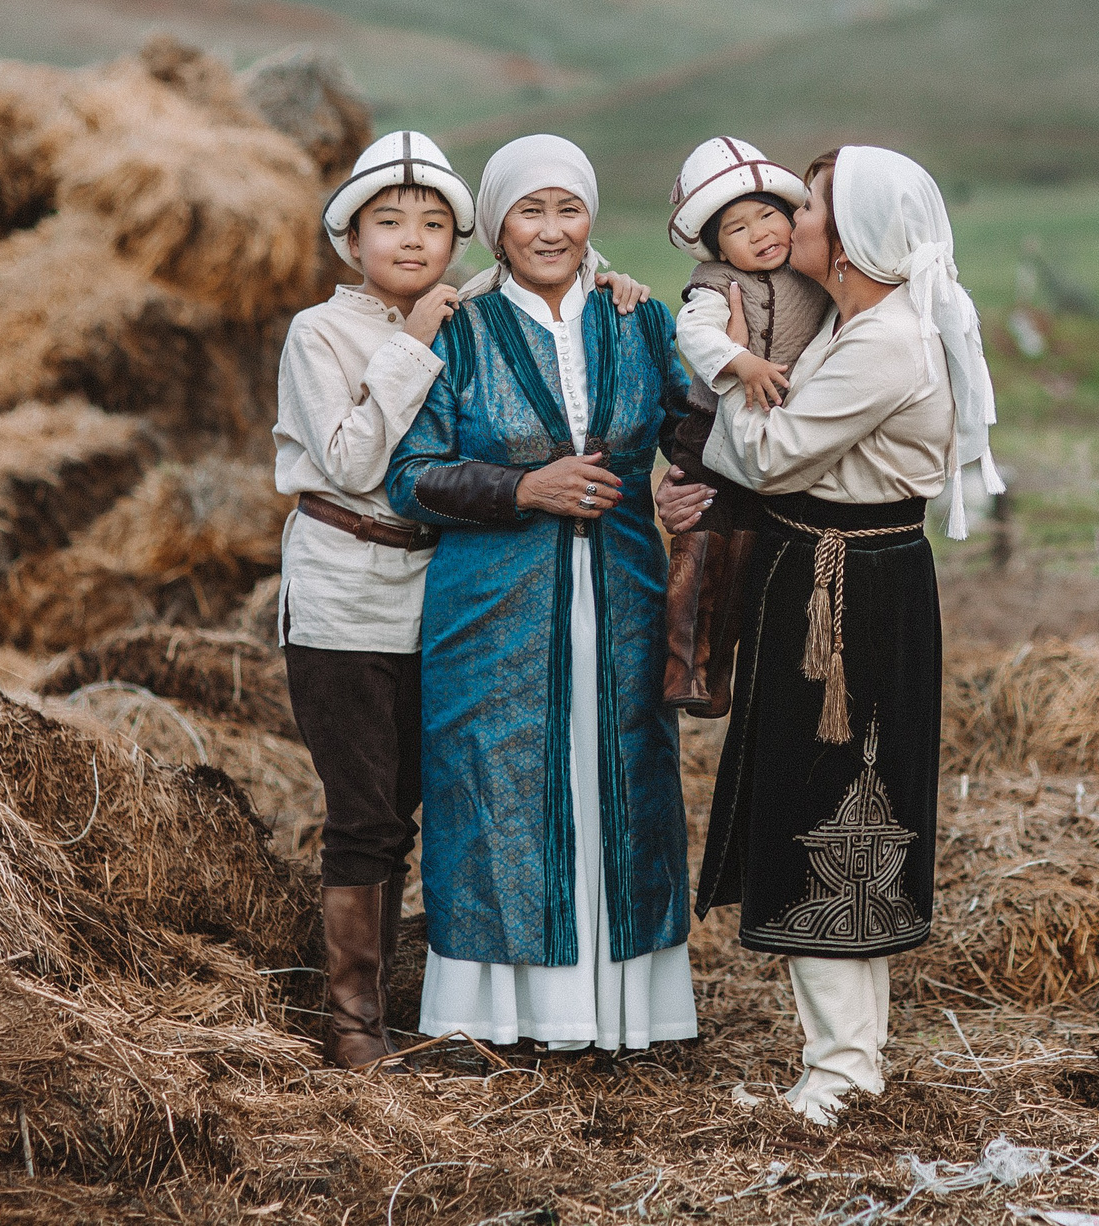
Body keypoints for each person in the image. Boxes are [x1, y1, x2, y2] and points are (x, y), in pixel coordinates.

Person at [273, 131, 649, 1069]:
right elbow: (357, 459)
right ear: (349, 238)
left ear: (461, 240)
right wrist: (410, 345)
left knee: (449, 795)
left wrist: (617, 282)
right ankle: (354, 1016)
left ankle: (433, 991)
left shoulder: (469, 309)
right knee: (367, 810)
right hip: (347, 593)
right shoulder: (320, 333)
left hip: (443, 596)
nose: (412, 240)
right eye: (388, 222)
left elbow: (551, 263)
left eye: (435, 224)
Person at [663, 144, 1002, 1125]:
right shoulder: (860, 323)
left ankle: (844, 1071)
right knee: (834, 797)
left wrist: (728, 368)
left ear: (845, 240)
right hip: (832, 574)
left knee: (834, 802)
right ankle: (842, 1057)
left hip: (844, 591)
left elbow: (768, 457)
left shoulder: (881, 344)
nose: (786, 220)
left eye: (804, 207)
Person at [386, 134, 699, 1053]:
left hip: (625, 598)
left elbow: (693, 427)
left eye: (569, 208)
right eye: (531, 210)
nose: (552, 229)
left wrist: (686, 481)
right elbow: (412, 476)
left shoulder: (638, 319)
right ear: (495, 225)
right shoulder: (459, 328)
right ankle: (502, 1018)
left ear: (592, 218)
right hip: (490, 613)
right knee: (494, 785)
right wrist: (525, 488)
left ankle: (622, 1013)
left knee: (624, 781)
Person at [659, 137, 832, 717]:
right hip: (709, 435)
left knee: (751, 556)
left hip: (771, 438)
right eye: (737, 228)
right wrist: (740, 362)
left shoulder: (812, 281)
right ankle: (686, 665)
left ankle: (724, 672)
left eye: (768, 215)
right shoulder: (713, 287)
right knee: (703, 543)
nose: (759, 233)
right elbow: (696, 336)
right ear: (716, 247)